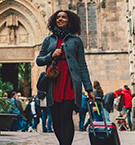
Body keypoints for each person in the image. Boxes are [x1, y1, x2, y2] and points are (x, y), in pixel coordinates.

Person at [36, 10, 95, 145]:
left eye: (64, 17)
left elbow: (82, 65)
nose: (60, 19)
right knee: (56, 119)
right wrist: (51, 55)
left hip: (70, 82)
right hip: (54, 83)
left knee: (66, 116)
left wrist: (89, 88)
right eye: (58, 17)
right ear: (54, 20)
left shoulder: (76, 41)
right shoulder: (48, 40)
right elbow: (39, 60)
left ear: (70, 20)